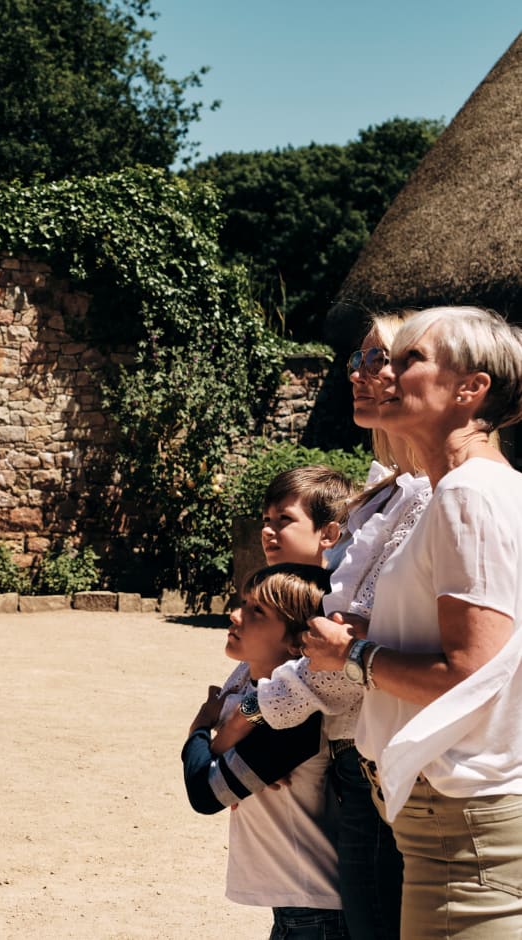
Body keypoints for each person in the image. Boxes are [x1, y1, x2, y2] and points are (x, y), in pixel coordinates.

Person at [304, 306, 522, 939]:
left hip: (464, 823)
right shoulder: (481, 487)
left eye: (407, 360)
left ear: (470, 388)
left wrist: (351, 653)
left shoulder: (466, 494)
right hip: (454, 819)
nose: (384, 374)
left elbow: (466, 674)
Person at [215, 313, 431, 939]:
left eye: (380, 359)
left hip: (376, 762)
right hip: (351, 762)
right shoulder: (383, 493)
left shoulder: (432, 499)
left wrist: (251, 714)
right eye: (357, 361)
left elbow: (347, 659)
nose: (361, 374)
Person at [182, 563, 348, 940]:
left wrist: (198, 731)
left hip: (313, 906)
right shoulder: (249, 685)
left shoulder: (291, 716)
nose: (235, 614)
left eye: (257, 611)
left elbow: (204, 793)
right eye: (243, 602)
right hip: (299, 903)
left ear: (296, 641)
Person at [260, 466, 353, 567]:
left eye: (284, 518)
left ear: (328, 534)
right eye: (267, 519)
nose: (266, 531)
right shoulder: (260, 582)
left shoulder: (351, 582)